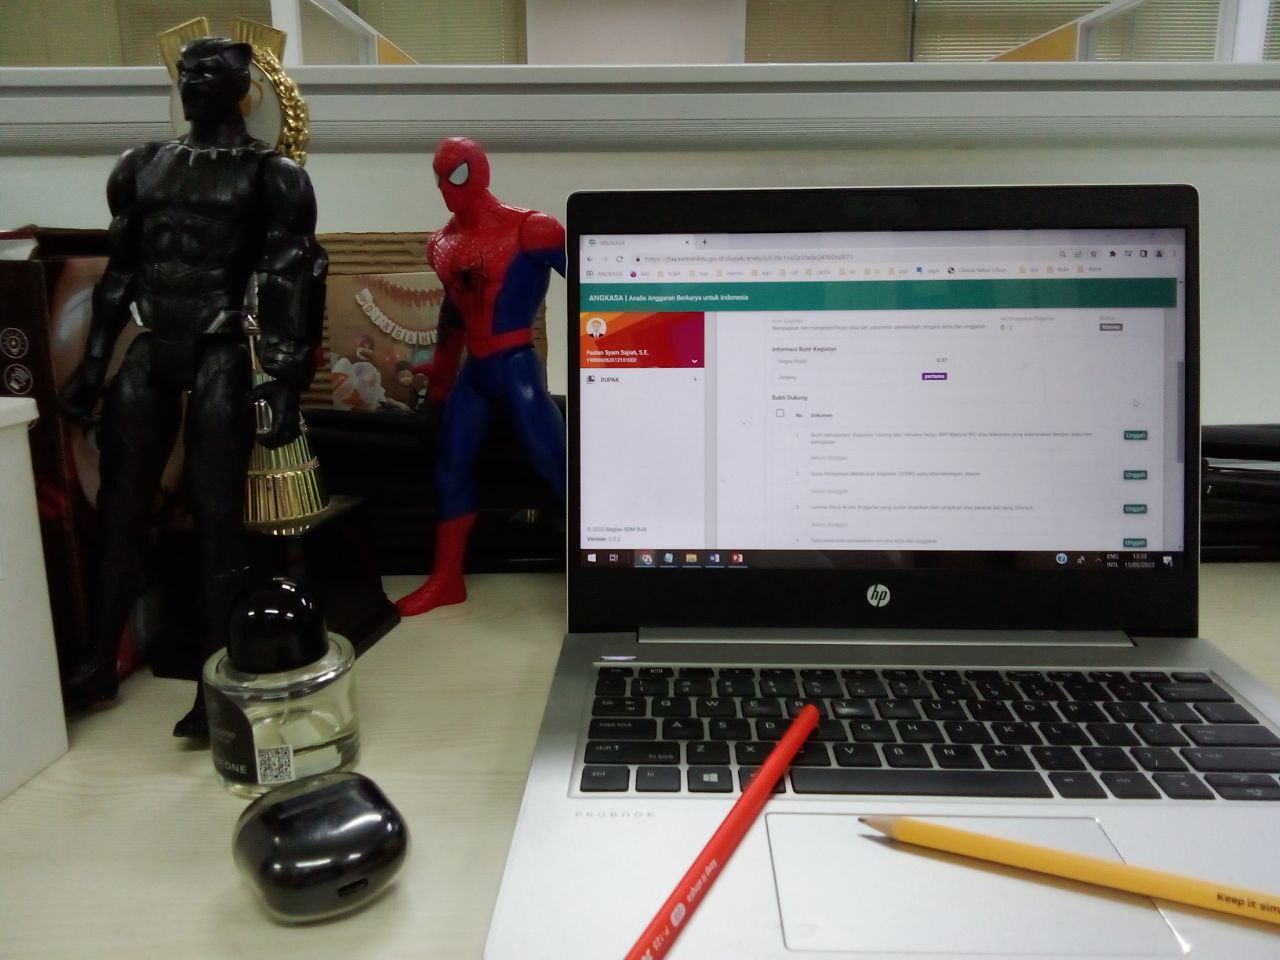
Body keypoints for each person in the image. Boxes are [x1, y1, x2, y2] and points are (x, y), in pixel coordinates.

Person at [58, 37, 327, 737]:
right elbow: (120, 273)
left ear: (242, 86)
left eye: (209, 71)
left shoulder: (271, 176)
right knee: (119, 507)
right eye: (186, 70)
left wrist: (285, 382)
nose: (193, 80)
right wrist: (92, 364)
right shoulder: (142, 165)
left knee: (218, 520)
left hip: (220, 348)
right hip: (153, 346)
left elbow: (294, 277)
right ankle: (98, 659)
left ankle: (217, 684)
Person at [396, 137, 565, 616]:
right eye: (440, 176)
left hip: (517, 365)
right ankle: (447, 578)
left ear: (480, 171)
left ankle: (603, 565)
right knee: (450, 464)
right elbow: (455, 310)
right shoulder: (442, 243)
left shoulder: (532, 229)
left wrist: (617, 360)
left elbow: (596, 284)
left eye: (457, 173)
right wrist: (442, 371)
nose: (447, 186)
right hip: (476, 371)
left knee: (555, 461)